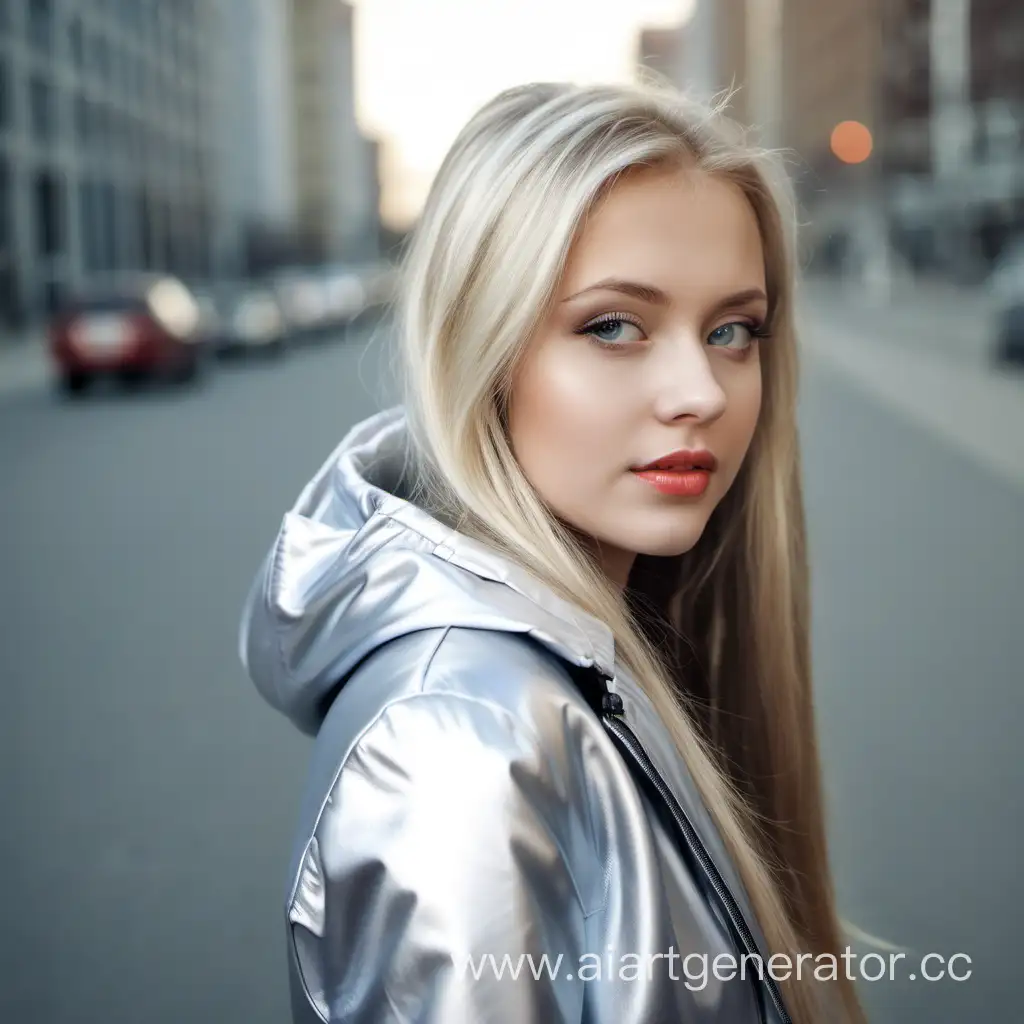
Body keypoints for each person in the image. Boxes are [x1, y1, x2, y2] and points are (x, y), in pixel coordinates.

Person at [239, 81, 866, 1023]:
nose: (700, 389)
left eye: (733, 330)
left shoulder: (606, 656)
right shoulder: (456, 750)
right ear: (481, 349)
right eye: (613, 325)